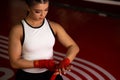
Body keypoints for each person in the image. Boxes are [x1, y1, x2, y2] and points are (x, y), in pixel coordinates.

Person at [8, 0, 79, 80]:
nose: (43, 15)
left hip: (49, 73)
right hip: (27, 75)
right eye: (37, 11)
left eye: (46, 10)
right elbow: (14, 63)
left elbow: (73, 46)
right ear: (28, 8)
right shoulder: (18, 30)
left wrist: (66, 61)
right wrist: (42, 63)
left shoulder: (54, 27)